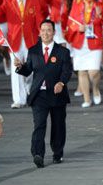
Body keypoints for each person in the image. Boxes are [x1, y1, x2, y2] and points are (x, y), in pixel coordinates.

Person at [15, 20, 73, 167]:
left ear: (54, 32)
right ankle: (38, 154)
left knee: (58, 125)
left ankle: (57, 153)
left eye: (49, 30)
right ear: (39, 33)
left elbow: (67, 71)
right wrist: (20, 67)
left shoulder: (63, 51)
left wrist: (61, 83)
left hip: (57, 93)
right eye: (43, 30)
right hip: (39, 95)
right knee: (39, 125)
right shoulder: (33, 50)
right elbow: (28, 69)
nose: (46, 33)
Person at [0, 0, 46, 108]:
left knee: (33, 69)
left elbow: (39, 18)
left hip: (31, 39)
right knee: (17, 69)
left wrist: (43, 33)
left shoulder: (34, 0)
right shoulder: (8, 1)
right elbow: (0, 16)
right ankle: (19, 99)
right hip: (14, 41)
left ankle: (32, 94)